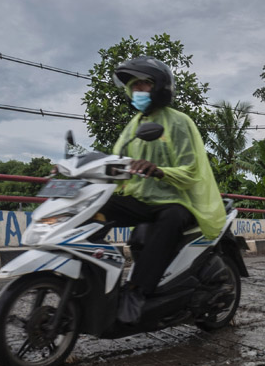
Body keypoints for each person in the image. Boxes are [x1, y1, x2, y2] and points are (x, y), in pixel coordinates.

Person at [95, 56, 226, 324]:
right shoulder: (134, 125)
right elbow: (116, 160)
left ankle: (137, 290)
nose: (138, 91)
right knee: (101, 206)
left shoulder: (178, 122)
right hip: (142, 199)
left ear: (159, 87)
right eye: (134, 86)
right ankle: (90, 273)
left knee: (171, 217)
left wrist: (160, 170)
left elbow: (191, 170)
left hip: (178, 200)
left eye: (144, 85)